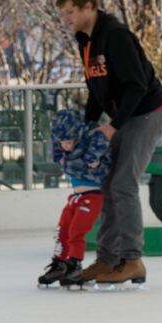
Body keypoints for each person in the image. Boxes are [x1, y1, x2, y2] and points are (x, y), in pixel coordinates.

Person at [56, 0, 162, 291]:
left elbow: (136, 85)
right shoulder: (86, 40)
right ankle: (107, 259)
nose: (65, 18)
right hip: (124, 116)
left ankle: (132, 260)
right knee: (107, 183)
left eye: (69, 12)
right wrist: (86, 128)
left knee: (122, 183)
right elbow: (96, 89)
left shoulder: (115, 36)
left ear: (87, 7)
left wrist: (112, 126)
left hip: (146, 112)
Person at [37, 108, 110, 288]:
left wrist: (94, 164)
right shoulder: (65, 152)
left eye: (69, 142)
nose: (66, 146)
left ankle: (74, 264)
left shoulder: (94, 142)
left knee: (76, 231)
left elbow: (103, 167)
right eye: (63, 143)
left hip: (93, 196)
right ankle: (60, 263)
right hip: (76, 197)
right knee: (62, 230)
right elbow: (67, 162)